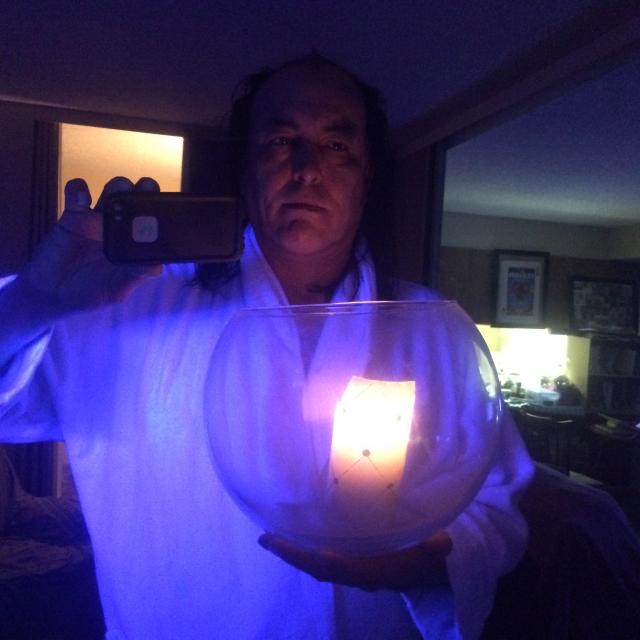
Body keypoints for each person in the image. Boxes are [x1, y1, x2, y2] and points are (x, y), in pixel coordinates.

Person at [0, 54, 534, 639]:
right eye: (281, 141)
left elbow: (495, 508)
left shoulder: (435, 330)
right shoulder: (122, 306)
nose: (307, 169)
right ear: (245, 166)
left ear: (367, 174)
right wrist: (32, 301)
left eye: (336, 145)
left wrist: (429, 560)